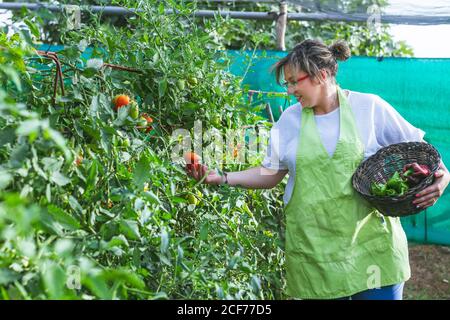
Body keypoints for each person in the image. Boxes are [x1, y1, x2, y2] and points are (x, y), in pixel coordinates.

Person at [184, 39, 450, 300]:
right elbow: (270, 173)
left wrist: (443, 177)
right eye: (286, 83)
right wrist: (221, 177)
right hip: (317, 255)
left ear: (321, 75)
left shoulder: (369, 108)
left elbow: (426, 155)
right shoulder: (289, 120)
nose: (289, 90)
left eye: (293, 82)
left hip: (372, 250)